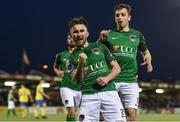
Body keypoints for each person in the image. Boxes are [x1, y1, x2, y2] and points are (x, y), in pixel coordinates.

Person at [97, 3, 153, 121]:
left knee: (131, 115)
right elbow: (94, 52)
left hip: (130, 81)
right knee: (102, 115)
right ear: (115, 17)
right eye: (117, 15)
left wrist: (148, 60)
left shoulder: (137, 35)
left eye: (123, 14)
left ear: (129, 17)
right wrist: (100, 39)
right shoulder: (108, 34)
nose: (120, 17)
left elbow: (146, 51)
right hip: (112, 80)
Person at [68, 16, 126, 122]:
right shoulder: (71, 59)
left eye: (82, 31)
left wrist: (107, 78)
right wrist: (81, 64)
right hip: (88, 96)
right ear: (71, 35)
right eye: (75, 32)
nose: (79, 34)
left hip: (109, 93)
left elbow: (117, 68)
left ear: (87, 33)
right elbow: (77, 81)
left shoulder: (100, 47)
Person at [53, 33, 81, 121]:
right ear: (66, 40)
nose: (71, 40)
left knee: (74, 112)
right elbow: (55, 66)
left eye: (73, 38)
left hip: (80, 87)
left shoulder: (82, 54)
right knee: (72, 112)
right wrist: (57, 72)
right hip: (66, 87)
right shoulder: (61, 55)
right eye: (69, 38)